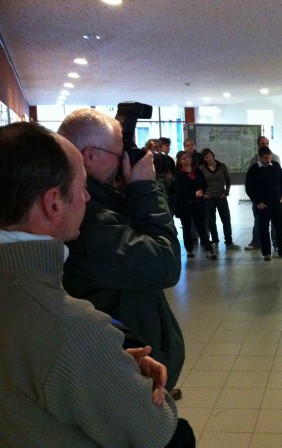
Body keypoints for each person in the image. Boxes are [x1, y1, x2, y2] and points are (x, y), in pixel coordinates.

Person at [0, 122, 194, 447]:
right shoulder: (72, 329)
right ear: (53, 203)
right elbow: (158, 431)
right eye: (82, 187)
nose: (88, 197)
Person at [57, 109, 185, 399]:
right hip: (121, 369)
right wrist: (145, 189)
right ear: (90, 156)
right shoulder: (93, 220)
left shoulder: (98, 202)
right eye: (119, 153)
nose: (124, 160)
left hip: (121, 354)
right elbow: (165, 264)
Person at [245, 145, 282, 261]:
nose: (268, 160)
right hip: (263, 205)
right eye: (265, 158)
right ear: (259, 157)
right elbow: (249, 188)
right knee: (263, 229)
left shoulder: (276, 165)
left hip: (278, 203)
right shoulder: (253, 170)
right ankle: (267, 253)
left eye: (270, 158)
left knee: (280, 228)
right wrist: (257, 202)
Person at [174, 150, 217, 259]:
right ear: (179, 161)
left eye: (188, 158)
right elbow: (178, 190)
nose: (186, 160)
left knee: (201, 227)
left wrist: (202, 191)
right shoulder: (178, 173)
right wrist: (193, 194)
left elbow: (204, 184)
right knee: (187, 227)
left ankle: (209, 250)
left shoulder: (197, 170)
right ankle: (189, 249)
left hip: (198, 204)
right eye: (183, 159)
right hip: (185, 205)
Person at [198, 147, 241, 250]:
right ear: (204, 159)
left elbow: (228, 180)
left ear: (213, 155)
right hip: (209, 198)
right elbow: (199, 183)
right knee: (211, 221)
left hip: (221, 197)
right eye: (206, 157)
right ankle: (215, 241)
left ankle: (229, 242)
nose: (209, 159)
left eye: (210, 156)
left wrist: (226, 192)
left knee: (226, 219)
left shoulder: (222, 166)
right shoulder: (201, 169)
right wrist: (203, 194)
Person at [245, 135, 280, 251]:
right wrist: (256, 199)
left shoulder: (275, 158)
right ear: (258, 145)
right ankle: (256, 242)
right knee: (259, 221)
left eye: (266, 143)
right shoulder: (253, 160)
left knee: (275, 222)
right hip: (259, 198)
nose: (264, 145)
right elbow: (250, 181)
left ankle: (276, 244)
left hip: (273, 198)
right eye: (262, 144)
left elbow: (279, 178)